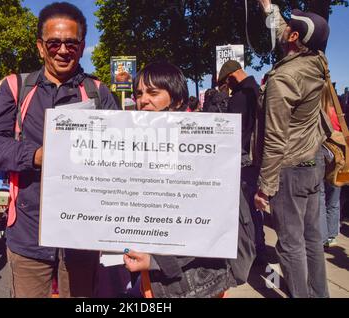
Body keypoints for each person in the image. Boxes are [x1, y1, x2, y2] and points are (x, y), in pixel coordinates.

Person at [0, 2, 118, 298]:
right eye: (54, 43)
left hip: (82, 233)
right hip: (29, 233)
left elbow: (118, 156)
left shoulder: (99, 92)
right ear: (41, 47)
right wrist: (37, 156)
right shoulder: (15, 87)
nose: (63, 50)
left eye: (72, 43)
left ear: (82, 47)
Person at [123, 61, 237, 298]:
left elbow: (215, 227)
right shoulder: (142, 145)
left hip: (195, 283)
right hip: (153, 281)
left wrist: (156, 260)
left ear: (176, 100)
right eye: (139, 93)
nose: (143, 100)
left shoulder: (206, 147)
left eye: (153, 92)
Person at [254, 0, 330, 297]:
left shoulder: (284, 78)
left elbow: (275, 138)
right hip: (313, 163)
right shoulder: (318, 61)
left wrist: (265, 187)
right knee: (312, 239)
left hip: (290, 170)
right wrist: (268, 8)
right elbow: (284, 29)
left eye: (292, 24)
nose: (286, 25)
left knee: (290, 245)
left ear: (295, 38)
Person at [217, 60, 267, 264]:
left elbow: (232, 133)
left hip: (242, 158)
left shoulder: (239, 98)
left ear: (232, 78)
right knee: (255, 209)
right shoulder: (260, 91)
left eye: (227, 84)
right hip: (258, 158)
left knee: (245, 211)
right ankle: (260, 249)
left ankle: (251, 252)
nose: (227, 89)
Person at [319, 81, 342, 248]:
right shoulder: (337, 113)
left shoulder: (317, 113)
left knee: (320, 197)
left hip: (322, 156)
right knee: (334, 197)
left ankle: (322, 235)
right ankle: (333, 235)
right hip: (340, 160)